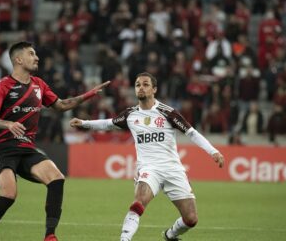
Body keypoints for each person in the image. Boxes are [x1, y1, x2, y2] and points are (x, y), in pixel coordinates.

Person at [0, 41, 109, 241]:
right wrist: (8, 124)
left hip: (26, 149)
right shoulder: (3, 85)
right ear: (18, 59)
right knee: (9, 195)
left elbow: (61, 105)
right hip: (2, 149)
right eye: (31, 54)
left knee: (57, 178)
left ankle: (50, 236)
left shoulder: (39, 84)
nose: (36, 58)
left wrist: (88, 95)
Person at [70, 72, 225, 241]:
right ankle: (124, 239)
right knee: (138, 202)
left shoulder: (167, 112)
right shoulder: (131, 114)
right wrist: (84, 124)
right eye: (137, 85)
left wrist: (213, 151)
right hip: (149, 169)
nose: (141, 88)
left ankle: (170, 235)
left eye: (145, 84)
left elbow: (192, 133)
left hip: (173, 168)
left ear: (154, 89)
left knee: (191, 219)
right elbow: (109, 123)